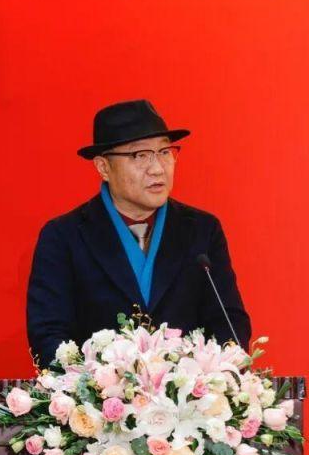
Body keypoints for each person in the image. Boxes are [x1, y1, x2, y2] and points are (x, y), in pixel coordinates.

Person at [27, 99, 250, 367]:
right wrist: (101, 384)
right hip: (99, 390)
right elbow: (49, 335)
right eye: (140, 155)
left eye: (164, 152)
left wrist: (212, 377)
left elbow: (228, 322)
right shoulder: (63, 237)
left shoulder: (202, 230)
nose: (157, 168)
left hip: (189, 390)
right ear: (103, 167)